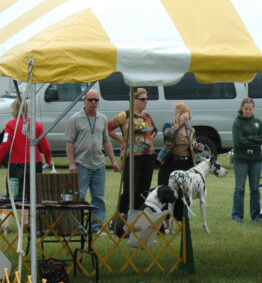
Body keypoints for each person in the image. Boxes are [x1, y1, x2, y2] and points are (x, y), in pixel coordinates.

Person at [64, 90, 120, 228]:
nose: (94, 103)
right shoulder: (75, 119)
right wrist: (72, 163)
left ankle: (96, 226)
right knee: (80, 197)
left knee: (98, 198)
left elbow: (106, 141)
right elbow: (69, 142)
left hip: (99, 164)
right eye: (91, 100)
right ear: (84, 100)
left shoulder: (102, 118)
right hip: (81, 164)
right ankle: (78, 225)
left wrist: (113, 161)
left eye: (96, 100)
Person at [108, 88, 157, 215]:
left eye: (147, 99)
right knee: (130, 189)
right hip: (132, 157)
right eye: (142, 99)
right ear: (134, 100)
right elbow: (108, 128)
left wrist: (149, 138)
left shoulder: (148, 117)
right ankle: (123, 216)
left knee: (144, 189)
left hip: (148, 156)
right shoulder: (125, 115)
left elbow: (154, 130)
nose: (145, 101)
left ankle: (140, 216)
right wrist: (121, 141)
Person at [158, 102, 203, 221]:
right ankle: (165, 221)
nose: (182, 115)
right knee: (167, 192)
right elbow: (168, 135)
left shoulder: (191, 130)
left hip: (186, 164)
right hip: (170, 163)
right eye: (180, 113)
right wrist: (179, 125)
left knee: (182, 193)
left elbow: (192, 146)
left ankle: (180, 219)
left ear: (189, 115)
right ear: (176, 114)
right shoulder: (169, 126)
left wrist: (198, 148)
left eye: (184, 113)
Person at [1, 99, 53, 199]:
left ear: (14, 109)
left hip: (17, 165)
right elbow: (45, 146)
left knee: (16, 196)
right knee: (34, 195)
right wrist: (49, 160)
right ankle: (31, 214)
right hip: (35, 164)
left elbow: (5, 146)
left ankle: (23, 214)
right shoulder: (37, 125)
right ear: (27, 109)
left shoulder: (10, 125)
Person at [231, 97, 262, 222]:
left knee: (255, 188)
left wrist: (249, 139)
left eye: (250, 109)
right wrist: (254, 140)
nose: (248, 111)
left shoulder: (258, 122)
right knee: (240, 188)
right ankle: (237, 215)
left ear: (253, 109)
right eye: (246, 109)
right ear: (242, 109)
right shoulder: (237, 123)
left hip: (256, 159)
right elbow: (239, 142)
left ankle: (256, 215)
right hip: (241, 159)